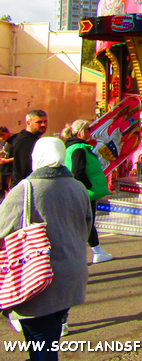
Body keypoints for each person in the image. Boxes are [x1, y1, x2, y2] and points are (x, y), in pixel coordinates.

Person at [0, 137, 92, 360]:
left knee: (41, 346)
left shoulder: (25, 190)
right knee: (49, 339)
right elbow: (87, 227)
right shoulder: (78, 187)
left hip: (36, 278)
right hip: (72, 275)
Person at [62, 120, 113, 264]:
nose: (91, 132)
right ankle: (96, 252)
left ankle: (95, 251)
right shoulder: (79, 148)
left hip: (79, 190)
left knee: (84, 222)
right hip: (84, 191)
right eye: (88, 129)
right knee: (87, 222)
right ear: (81, 132)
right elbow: (78, 171)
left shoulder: (72, 147)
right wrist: (90, 186)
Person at [6, 109, 48, 186]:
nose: (43, 125)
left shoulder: (29, 138)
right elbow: (27, 167)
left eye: (45, 121)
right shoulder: (26, 141)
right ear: (28, 123)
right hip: (27, 188)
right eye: (38, 122)